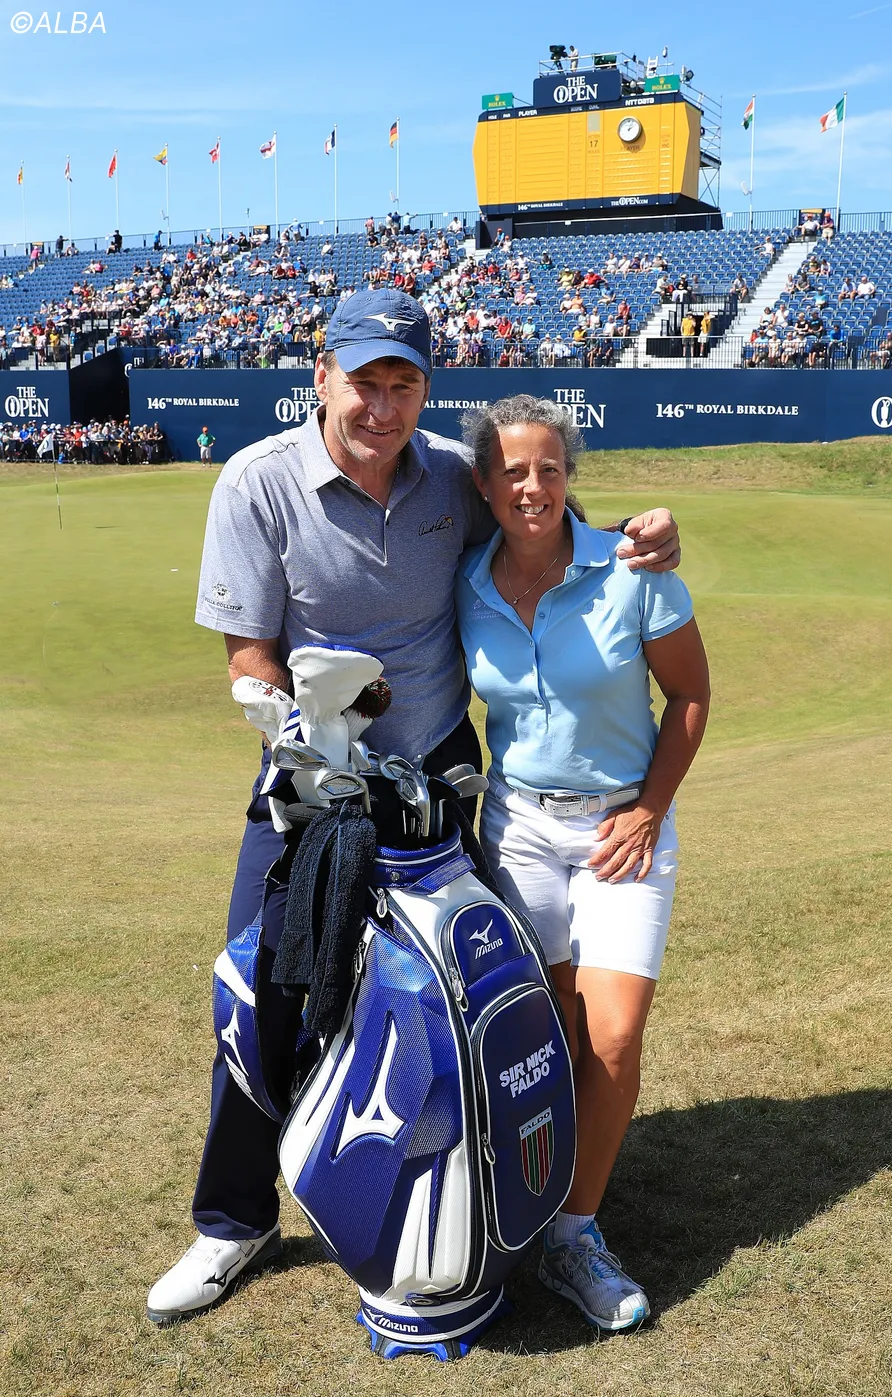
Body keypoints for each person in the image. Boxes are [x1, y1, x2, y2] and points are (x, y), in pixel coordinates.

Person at [146, 289, 682, 1325]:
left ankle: (481, 1194)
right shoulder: (256, 483)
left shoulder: (448, 473)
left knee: (463, 998)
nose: (381, 407)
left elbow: (543, 526)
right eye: (363, 383)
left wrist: (640, 532)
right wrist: (299, 730)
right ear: (321, 377)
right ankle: (232, 1220)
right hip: (311, 783)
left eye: (403, 385)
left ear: (425, 390)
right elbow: (249, 657)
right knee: (264, 991)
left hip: (439, 781)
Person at [455, 395, 709, 1331]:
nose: (533, 487)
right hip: (518, 828)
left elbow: (690, 695)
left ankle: (573, 1234)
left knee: (612, 1035)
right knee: (549, 1030)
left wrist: (649, 809)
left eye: (550, 469)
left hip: (621, 829)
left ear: (570, 476)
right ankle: (535, 1191)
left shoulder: (634, 567)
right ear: (485, 484)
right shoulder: (466, 581)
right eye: (513, 471)